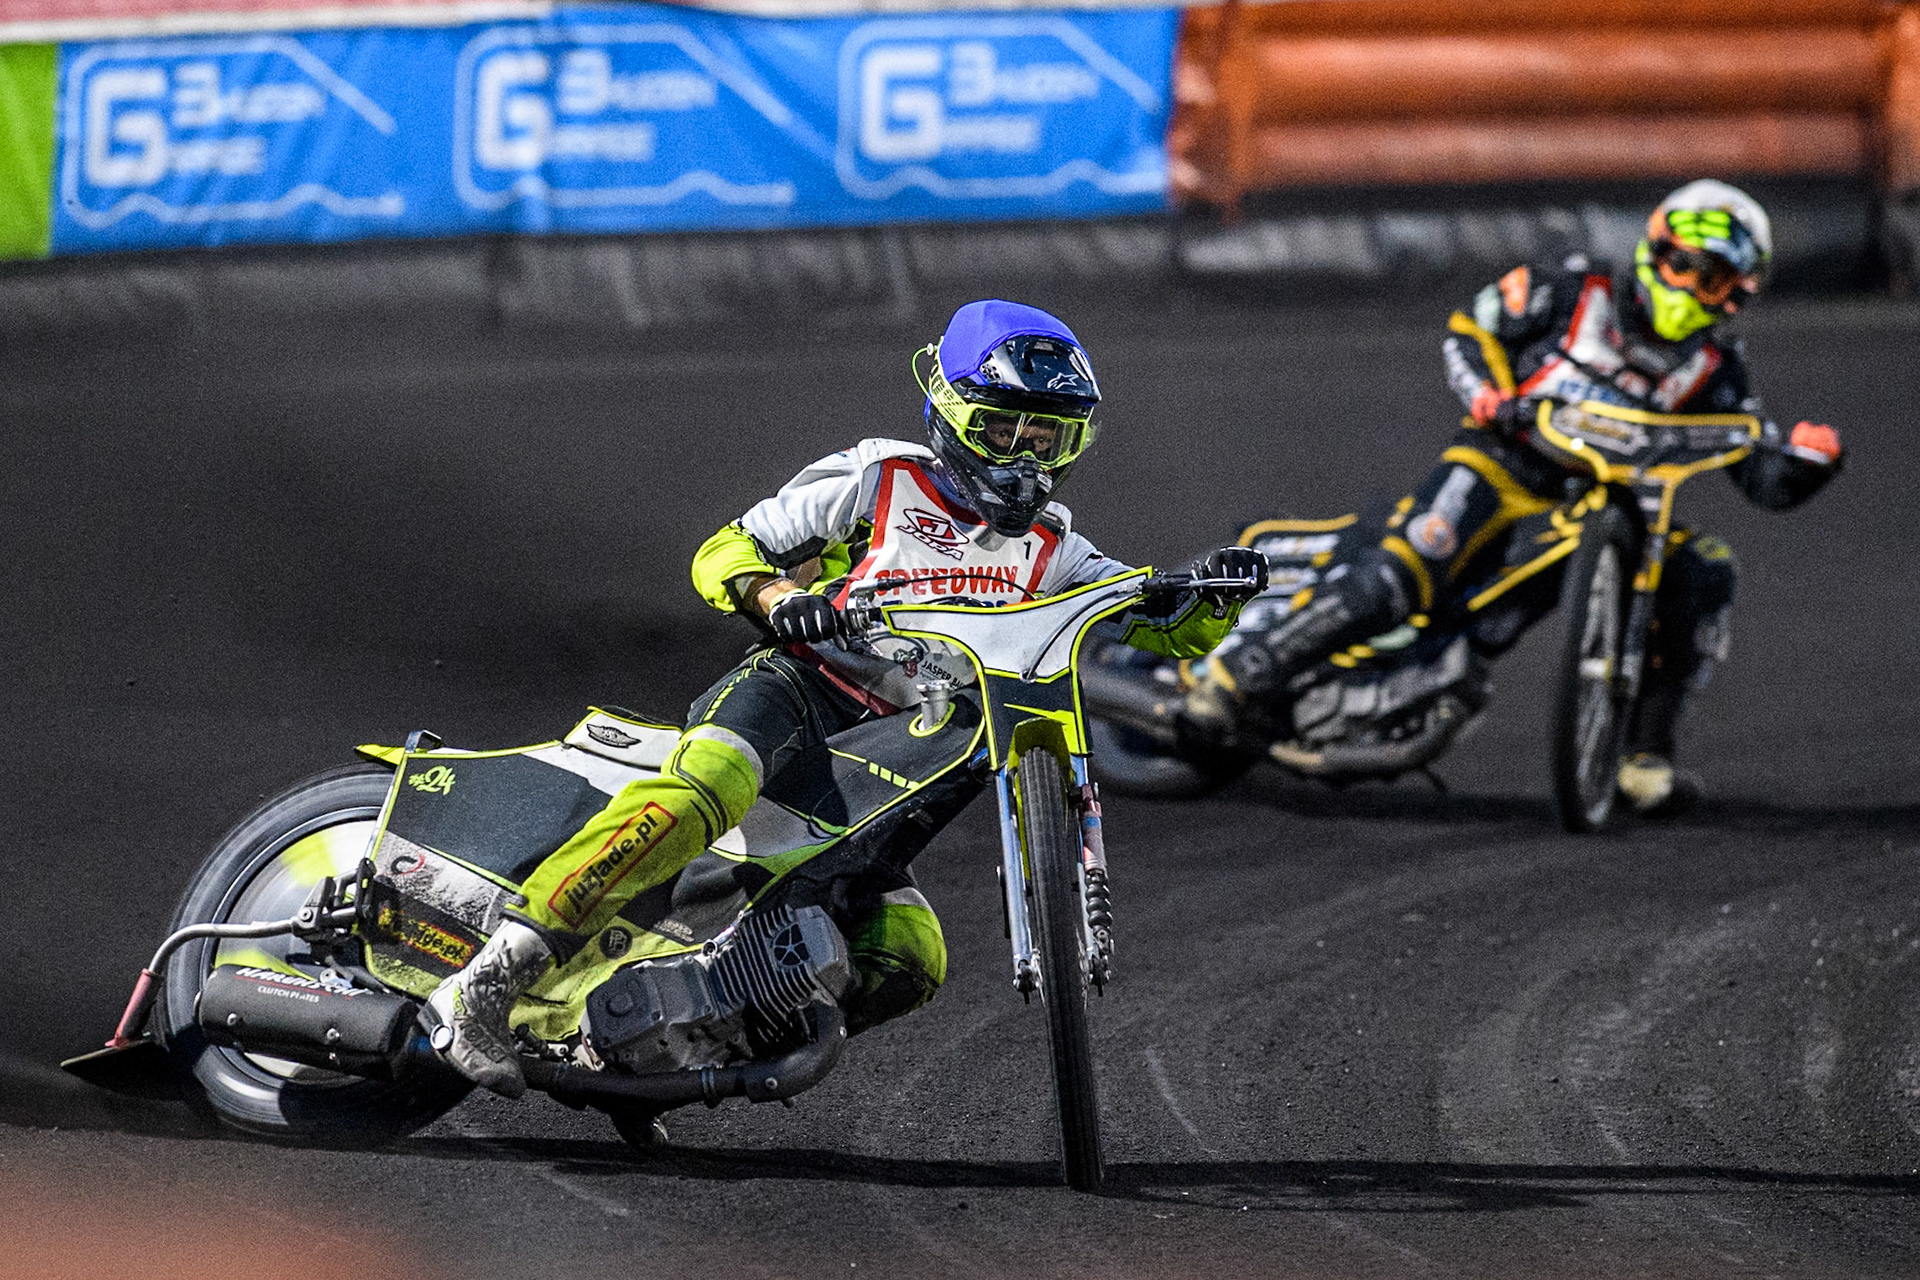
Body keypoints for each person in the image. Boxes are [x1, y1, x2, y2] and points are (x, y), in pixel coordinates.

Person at [423, 299, 1269, 1096]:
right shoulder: (879, 477)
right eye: (1004, 429)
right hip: (799, 692)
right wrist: (780, 600)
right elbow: (727, 550)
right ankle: (486, 982)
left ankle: (676, 1051)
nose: (1022, 459)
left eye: (1046, 437)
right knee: (706, 788)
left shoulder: (1056, 546)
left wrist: (1213, 594)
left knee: (910, 956)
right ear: (951, 412)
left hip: (904, 755)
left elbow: (1157, 626)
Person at [1187, 180, 1842, 814]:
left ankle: (1645, 759)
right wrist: (1488, 395)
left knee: (1703, 568)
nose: (1691, 289)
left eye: (1714, 281)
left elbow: (1762, 475)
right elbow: (1471, 329)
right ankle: (1240, 673)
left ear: (1736, 296)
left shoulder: (1718, 371)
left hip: (1602, 510)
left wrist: (1810, 461)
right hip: (1502, 464)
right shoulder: (1570, 290)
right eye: (1687, 267)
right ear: (1656, 250)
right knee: (1410, 565)